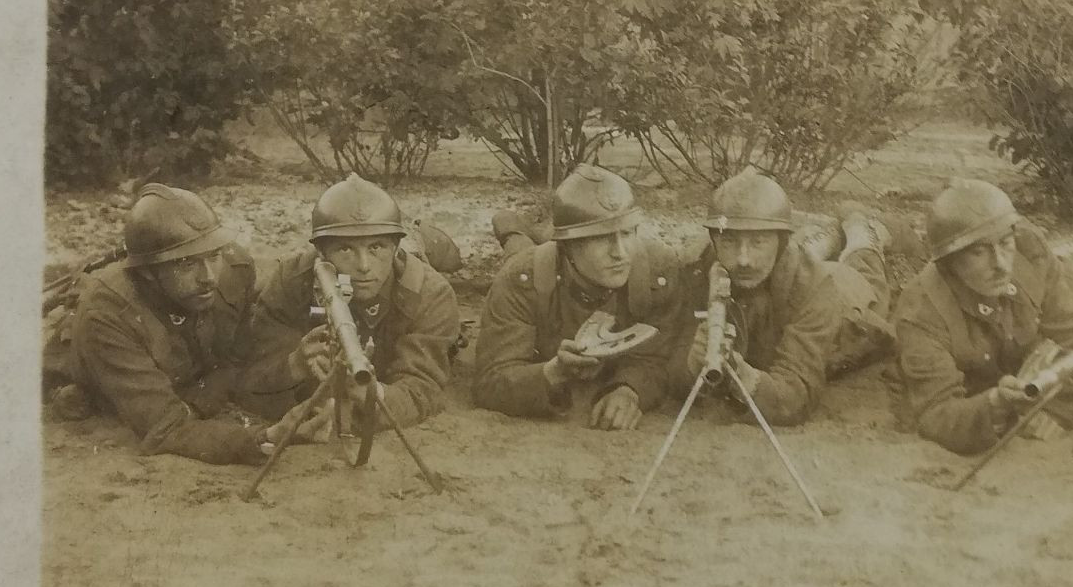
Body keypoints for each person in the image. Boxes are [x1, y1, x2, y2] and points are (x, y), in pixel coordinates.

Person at [66, 184, 326, 465]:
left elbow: (237, 362)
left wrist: (293, 365)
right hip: (115, 372)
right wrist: (268, 437)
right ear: (148, 273)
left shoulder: (234, 269)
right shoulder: (109, 314)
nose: (209, 277)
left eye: (213, 255)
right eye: (186, 264)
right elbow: (165, 428)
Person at [885, 179, 1073, 455]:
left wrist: (1055, 396)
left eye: (1006, 244)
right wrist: (995, 403)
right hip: (980, 393)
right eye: (979, 251)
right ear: (949, 261)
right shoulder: (921, 313)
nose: (1000, 264)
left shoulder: (1031, 255)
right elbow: (937, 415)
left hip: (1062, 291)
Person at [244, 174, 461, 431]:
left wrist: (376, 394)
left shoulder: (429, 292)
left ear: (395, 248)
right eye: (345, 250)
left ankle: (423, 238)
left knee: (443, 254)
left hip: (419, 271)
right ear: (322, 252)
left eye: (377, 247)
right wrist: (295, 365)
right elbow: (252, 379)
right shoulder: (291, 281)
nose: (364, 267)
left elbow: (423, 389)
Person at [474, 164, 682, 430]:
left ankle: (519, 228)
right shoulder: (520, 278)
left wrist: (630, 390)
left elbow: (661, 357)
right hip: (535, 262)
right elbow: (490, 382)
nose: (620, 253)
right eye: (602, 238)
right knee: (518, 250)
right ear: (567, 245)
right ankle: (510, 227)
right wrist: (552, 372)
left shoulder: (658, 272)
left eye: (627, 233)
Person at [667, 168, 870, 427]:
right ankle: (826, 236)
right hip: (789, 266)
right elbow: (669, 363)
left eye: (759, 242)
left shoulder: (817, 288)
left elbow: (796, 395)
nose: (743, 259)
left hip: (851, 304)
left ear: (781, 242)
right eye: (729, 242)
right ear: (714, 241)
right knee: (799, 257)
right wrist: (690, 362)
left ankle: (860, 229)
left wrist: (743, 376)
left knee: (863, 266)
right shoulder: (697, 269)